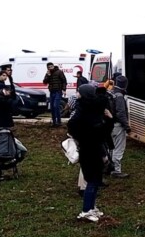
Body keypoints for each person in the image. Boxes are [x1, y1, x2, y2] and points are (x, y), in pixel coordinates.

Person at [68, 84, 112, 223]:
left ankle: (91, 207)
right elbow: (103, 131)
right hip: (91, 150)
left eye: (78, 92)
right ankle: (86, 211)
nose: (76, 94)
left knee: (95, 180)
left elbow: (73, 128)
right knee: (92, 181)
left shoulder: (83, 111)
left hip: (92, 149)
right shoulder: (91, 112)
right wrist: (109, 119)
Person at [109, 75, 130, 178]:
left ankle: (109, 167)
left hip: (109, 125)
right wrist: (127, 126)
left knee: (111, 147)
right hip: (118, 126)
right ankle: (117, 171)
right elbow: (121, 113)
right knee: (119, 148)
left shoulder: (111, 93)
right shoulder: (120, 96)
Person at [43, 62, 68, 127]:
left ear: (53, 66)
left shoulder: (59, 72)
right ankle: (54, 122)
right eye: (48, 67)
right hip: (52, 92)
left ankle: (59, 122)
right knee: (52, 107)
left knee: (56, 106)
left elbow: (64, 81)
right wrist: (48, 75)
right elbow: (44, 82)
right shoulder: (48, 73)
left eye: (51, 66)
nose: (50, 68)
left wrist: (64, 89)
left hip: (58, 91)